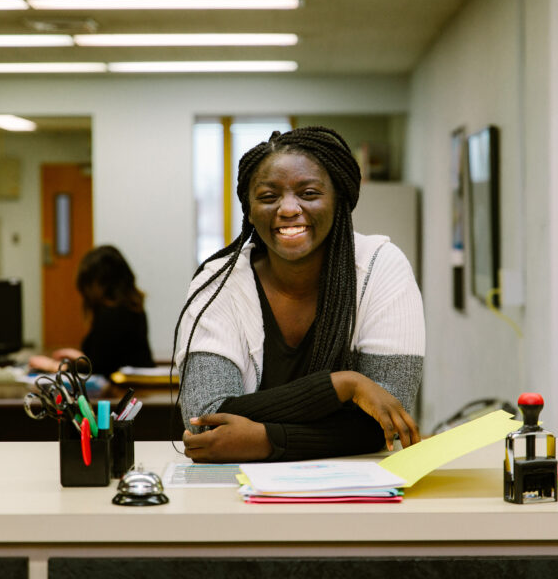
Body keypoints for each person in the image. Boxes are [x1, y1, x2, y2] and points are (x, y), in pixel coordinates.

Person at [175, 126, 425, 463]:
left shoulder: (380, 268)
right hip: (237, 494)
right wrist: (343, 386)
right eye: (268, 196)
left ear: (339, 200)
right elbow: (205, 423)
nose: (288, 208)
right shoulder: (218, 282)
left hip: (357, 488)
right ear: (249, 209)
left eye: (308, 193)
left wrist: (267, 441)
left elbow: (387, 422)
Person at [29, 245, 155, 376]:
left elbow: (99, 370)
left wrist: (54, 366)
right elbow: (108, 357)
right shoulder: (131, 309)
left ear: (97, 284)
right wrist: (82, 357)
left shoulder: (112, 316)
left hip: (123, 391)